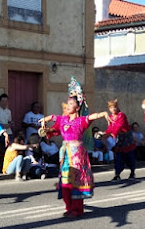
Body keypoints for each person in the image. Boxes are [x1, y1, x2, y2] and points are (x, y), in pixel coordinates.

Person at [40, 90, 110, 218]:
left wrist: (104, 113)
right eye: (68, 103)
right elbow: (52, 118)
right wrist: (45, 124)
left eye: (71, 103)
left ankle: (77, 209)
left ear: (77, 107)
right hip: (65, 153)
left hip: (77, 155)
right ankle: (69, 207)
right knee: (65, 181)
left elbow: (92, 116)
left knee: (77, 181)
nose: (68, 105)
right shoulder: (63, 119)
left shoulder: (82, 120)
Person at [102, 99, 136, 182]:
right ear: (109, 109)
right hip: (119, 137)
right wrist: (105, 133)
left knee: (129, 155)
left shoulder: (121, 115)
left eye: (115, 107)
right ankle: (117, 174)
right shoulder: (110, 117)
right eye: (111, 107)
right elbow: (111, 127)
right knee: (118, 155)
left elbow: (119, 126)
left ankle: (132, 172)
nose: (114, 109)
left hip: (126, 137)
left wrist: (113, 134)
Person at [0, 93, 14, 172]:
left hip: (9, 133)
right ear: (0, 101)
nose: (4, 103)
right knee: (0, 152)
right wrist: (3, 126)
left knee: (9, 151)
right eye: (3, 101)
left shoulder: (8, 111)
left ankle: (8, 168)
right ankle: (0, 169)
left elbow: (10, 121)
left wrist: (10, 124)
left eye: (6, 101)